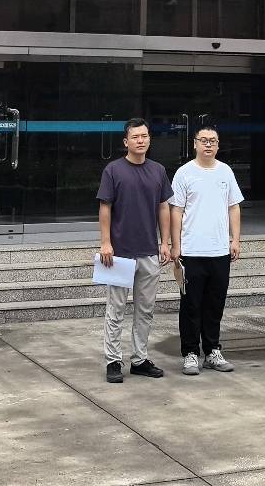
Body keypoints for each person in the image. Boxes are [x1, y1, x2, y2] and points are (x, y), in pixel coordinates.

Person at [96, 117, 173, 384]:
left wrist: (165, 242)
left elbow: (163, 206)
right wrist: (106, 242)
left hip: (149, 251)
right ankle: (113, 360)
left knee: (145, 310)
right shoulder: (113, 170)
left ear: (149, 139)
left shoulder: (158, 170)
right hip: (119, 253)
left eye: (144, 136)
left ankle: (139, 359)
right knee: (116, 309)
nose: (140, 141)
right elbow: (105, 206)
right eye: (135, 137)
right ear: (125, 141)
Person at [168, 125, 243, 376]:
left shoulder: (226, 171)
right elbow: (176, 210)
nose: (208, 144)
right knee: (190, 305)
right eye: (203, 140)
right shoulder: (184, 173)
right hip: (191, 251)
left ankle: (212, 351)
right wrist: (175, 245)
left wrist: (235, 240)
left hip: (219, 251)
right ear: (195, 143)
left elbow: (233, 206)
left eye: (213, 140)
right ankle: (190, 353)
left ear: (218, 145)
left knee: (215, 304)